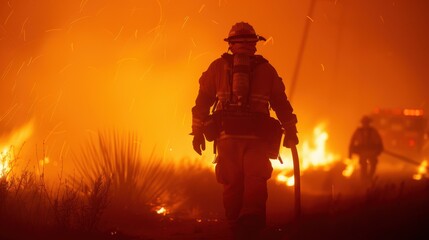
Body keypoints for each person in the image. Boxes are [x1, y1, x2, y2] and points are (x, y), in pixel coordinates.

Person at [191, 22, 299, 240]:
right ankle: (251, 225)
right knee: (255, 179)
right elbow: (281, 103)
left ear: (230, 44)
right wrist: (290, 130)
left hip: (226, 136)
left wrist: (197, 131)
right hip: (257, 138)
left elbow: (202, 102)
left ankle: (234, 226)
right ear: (255, 45)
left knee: (231, 182)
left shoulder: (216, 68)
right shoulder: (267, 70)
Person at [349, 116, 384, 181]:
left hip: (372, 152)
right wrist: (350, 154)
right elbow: (352, 142)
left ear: (369, 123)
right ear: (362, 123)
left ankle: (369, 177)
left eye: (367, 123)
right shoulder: (358, 132)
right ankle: (364, 179)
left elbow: (379, 141)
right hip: (362, 152)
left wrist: (379, 149)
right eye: (364, 123)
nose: (365, 124)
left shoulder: (373, 131)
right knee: (363, 165)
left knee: (373, 164)